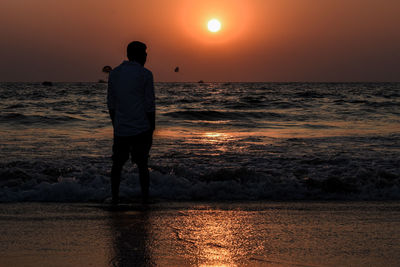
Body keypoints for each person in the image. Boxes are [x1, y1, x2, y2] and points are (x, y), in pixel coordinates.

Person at [107, 41, 155, 204]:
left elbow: (111, 104)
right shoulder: (145, 74)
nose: (147, 56)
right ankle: (145, 198)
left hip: (121, 128)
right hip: (141, 127)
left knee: (117, 165)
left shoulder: (114, 74)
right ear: (138, 55)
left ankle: (114, 197)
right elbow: (149, 105)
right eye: (145, 53)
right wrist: (151, 128)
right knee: (142, 165)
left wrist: (116, 125)